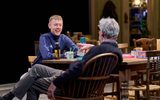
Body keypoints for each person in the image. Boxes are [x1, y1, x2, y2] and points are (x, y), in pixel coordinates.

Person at [0, 17, 123, 100]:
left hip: (74, 85)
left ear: (101, 34)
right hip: (86, 85)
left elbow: (75, 68)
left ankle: (10, 95)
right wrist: (94, 47)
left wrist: (55, 82)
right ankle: (11, 95)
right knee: (36, 68)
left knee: (32, 83)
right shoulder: (117, 53)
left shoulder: (97, 50)